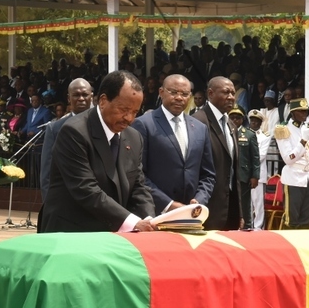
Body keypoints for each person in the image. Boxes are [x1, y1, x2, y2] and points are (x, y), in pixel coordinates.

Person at [40, 70, 156, 233]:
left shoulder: (134, 137)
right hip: (71, 232)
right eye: (123, 109)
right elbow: (86, 189)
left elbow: (138, 186)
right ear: (103, 101)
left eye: (135, 112)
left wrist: (149, 219)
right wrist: (132, 222)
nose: (129, 118)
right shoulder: (74, 132)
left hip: (112, 233)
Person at [130, 74, 215, 214]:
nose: (179, 98)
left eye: (185, 94)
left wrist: (199, 199)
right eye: (173, 92)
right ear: (161, 92)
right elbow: (137, 174)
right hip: (155, 213)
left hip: (191, 214)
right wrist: (168, 204)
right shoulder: (143, 124)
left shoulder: (200, 128)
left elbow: (208, 174)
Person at [193, 76, 242, 230]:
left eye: (233, 93)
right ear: (211, 93)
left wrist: (239, 211)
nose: (231, 97)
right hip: (207, 206)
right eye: (226, 92)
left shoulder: (230, 124)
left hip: (230, 207)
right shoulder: (198, 121)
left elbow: (232, 169)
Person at [40, 78, 93, 201]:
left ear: (91, 96)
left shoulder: (103, 125)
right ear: (69, 98)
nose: (81, 98)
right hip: (65, 202)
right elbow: (47, 173)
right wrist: (48, 206)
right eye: (76, 95)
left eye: (84, 94)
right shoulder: (55, 129)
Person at [275, 98, 309, 229]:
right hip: (293, 179)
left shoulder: (308, 129)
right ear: (293, 113)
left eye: (306, 111)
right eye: (301, 111)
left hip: (308, 180)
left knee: (306, 220)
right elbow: (289, 158)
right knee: (292, 220)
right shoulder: (284, 130)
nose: (305, 114)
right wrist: (303, 140)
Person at [233, 108, 260, 230]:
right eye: (232, 117)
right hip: (229, 175)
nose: (234, 120)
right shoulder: (225, 132)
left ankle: (248, 226)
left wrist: (255, 176)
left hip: (243, 174)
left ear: (242, 119)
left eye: (237, 117)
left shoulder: (249, 134)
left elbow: (255, 157)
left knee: (245, 203)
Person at [248, 109, 271, 230]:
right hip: (245, 174)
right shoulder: (244, 134)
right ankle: (248, 224)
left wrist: (246, 161)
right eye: (252, 120)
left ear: (260, 123)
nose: (254, 123)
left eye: (257, 121)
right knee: (247, 202)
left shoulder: (264, 137)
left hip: (258, 175)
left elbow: (261, 155)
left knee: (258, 203)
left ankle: (258, 227)